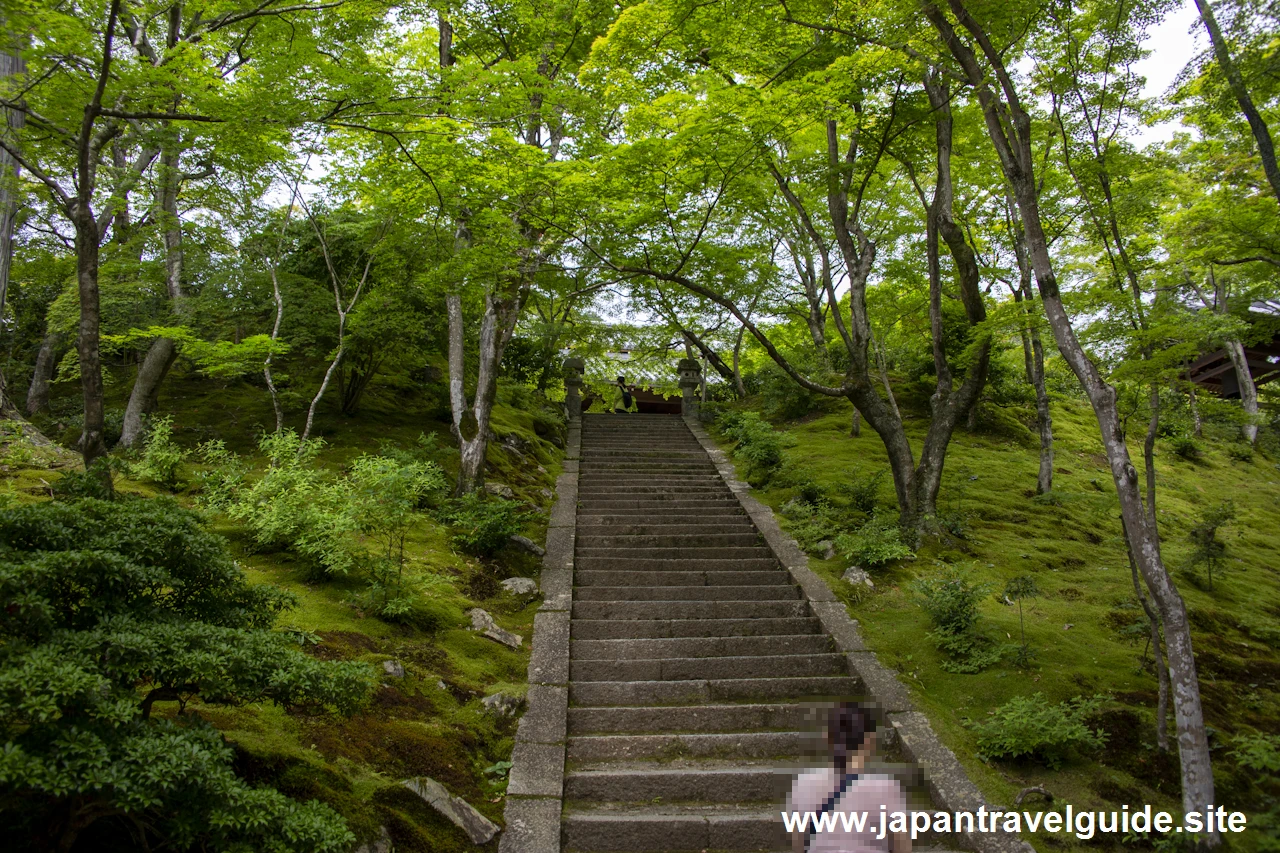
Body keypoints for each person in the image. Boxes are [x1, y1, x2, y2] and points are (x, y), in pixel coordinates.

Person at [786, 702, 911, 853]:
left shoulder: (803, 783)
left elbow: (797, 845)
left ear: (827, 738)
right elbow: (902, 846)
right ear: (870, 740)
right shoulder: (886, 787)